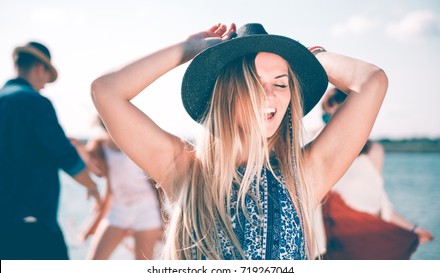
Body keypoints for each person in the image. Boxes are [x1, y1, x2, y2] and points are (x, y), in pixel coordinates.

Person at [91, 23, 388, 259]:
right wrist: (191, 49)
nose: (269, 95)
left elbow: (372, 81)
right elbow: (106, 91)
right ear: (227, 94)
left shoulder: (303, 175)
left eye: (281, 83)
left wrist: (313, 56)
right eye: (253, 83)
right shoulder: (185, 171)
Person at [0, 41, 101, 260]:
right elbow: (64, 155)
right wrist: (91, 185)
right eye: (46, 78)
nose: (44, 86)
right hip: (33, 225)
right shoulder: (34, 102)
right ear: (39, 69)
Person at [318, 87, 434, 259]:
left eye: (338, 117)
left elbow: (381, 203)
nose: (332, 124)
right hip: (334, 241)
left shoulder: (373, 151)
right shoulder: (316, 146)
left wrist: (411, 228)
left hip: (365, 237)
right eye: (327, 117)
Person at [72, 118, 163, 260]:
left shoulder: (139, 144)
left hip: (147, 212)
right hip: (118, 212)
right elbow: (96, 171)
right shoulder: (100, 147)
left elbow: (159, 182)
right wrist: (76, 145)